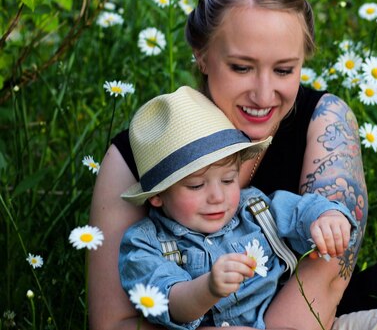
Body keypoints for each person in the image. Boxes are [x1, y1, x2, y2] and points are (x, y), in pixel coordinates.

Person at [89, 0, 377, 330]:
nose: (263, 95)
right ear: (202, 55)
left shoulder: (324, 123)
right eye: (241, 67)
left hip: (312, 324)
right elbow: (114, 323)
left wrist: (328, 220)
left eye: (284, 70)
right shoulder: (141, 153)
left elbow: (322, 279)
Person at [118, 86, 358, 329]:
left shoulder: (254, 208)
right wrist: (207, 288)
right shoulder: (144, 244)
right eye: (196, 185)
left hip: (300, 320)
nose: (217, 197)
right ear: (158, 195)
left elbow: (300, 211)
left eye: (228, 180)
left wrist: (327, 217)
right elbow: (168, 302)